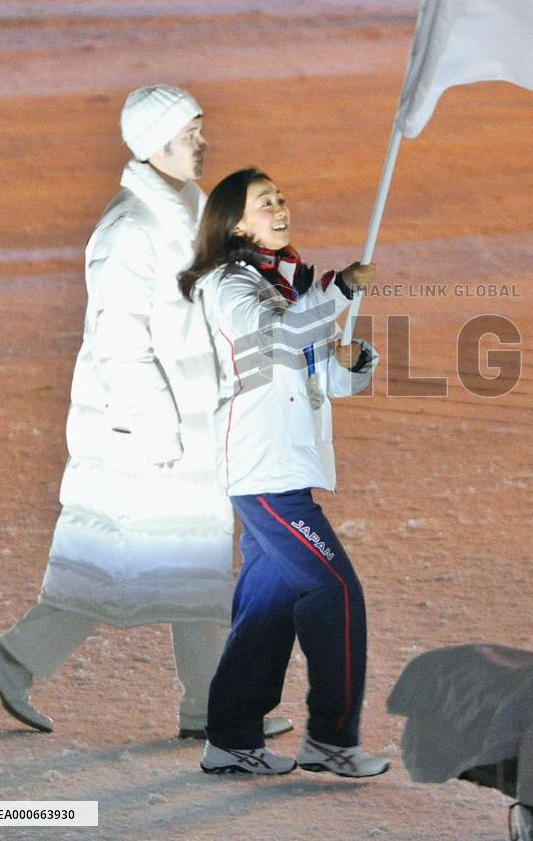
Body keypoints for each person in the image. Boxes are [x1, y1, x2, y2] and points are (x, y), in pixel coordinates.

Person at [0, 87, 291, 742]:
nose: (201, 143)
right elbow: (120, 343)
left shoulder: (190, 211)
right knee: (133, 559)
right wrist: (159, 429)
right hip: (143, 431)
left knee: (186, 558)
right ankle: (199, 703)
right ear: (153, 144)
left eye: (201, 130)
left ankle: (202, 703)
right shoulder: (129, 229)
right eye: (188, 134)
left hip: (188, 418)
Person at [179, 167, 389, 778]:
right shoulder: (228, 285)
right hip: (262, 470)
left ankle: (232, 738)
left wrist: (353, 360)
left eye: (282, 196)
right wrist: (340, 289)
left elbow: (322, 380)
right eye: (263, 200)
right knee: (334, 591)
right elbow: (274, 340)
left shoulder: (288, 283)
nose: (279, 204)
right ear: (235, 222)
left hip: (284, 467)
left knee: (267, 607)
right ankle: (330, 737)